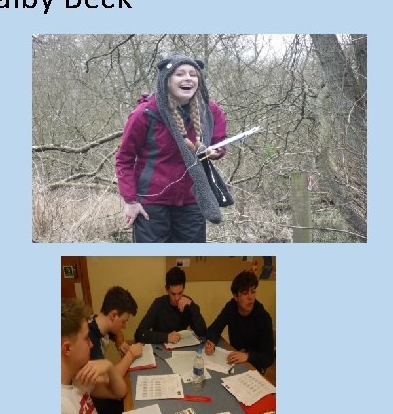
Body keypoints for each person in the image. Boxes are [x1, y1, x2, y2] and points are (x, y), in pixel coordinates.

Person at [114, 54, 228, 242]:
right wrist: (131, 201)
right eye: (180, 74)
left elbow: (219, 142)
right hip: (151, 202)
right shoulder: (145, 113)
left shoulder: (210, 110)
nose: (188, 78)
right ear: (166, 80)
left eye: (193, 74)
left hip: (193, 199)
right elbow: (124, 159)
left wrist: (215, 152)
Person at [61, 298, 160, 414]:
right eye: (86, 339)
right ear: (67, 348)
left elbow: (119, 392)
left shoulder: (77, 376)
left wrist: (107, 365)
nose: (91, 345)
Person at [88, 286, 144, 414]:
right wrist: (131, 354)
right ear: (113, 315)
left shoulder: (97, 321)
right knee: (129, 404)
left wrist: (119, 341)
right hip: (91, 398)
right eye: (124, 321)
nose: (124, 326)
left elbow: (117, 332)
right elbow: (109, 378)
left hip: (97, 386)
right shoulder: (89, 339)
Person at [204, 270, 275, 371]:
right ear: (235, 296)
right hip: (234, 360)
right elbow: (214, 328)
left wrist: (247, 356)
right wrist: (211, 343)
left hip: (253, 365)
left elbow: (268, 358)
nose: (251, 297)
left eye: (253, 292)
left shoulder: (264, 317)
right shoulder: (231, 307)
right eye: (245, 293)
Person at [135, 266, 207, 344]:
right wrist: (166, 337)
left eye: (180, 293)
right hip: (161, 348)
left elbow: (202, 332)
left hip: (181, 347)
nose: (177, 298)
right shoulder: (159, 303)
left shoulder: (187, 303)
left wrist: (193, 306)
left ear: (184, 288)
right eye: (173, 294)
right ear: (167, 289)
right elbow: (139, 334)